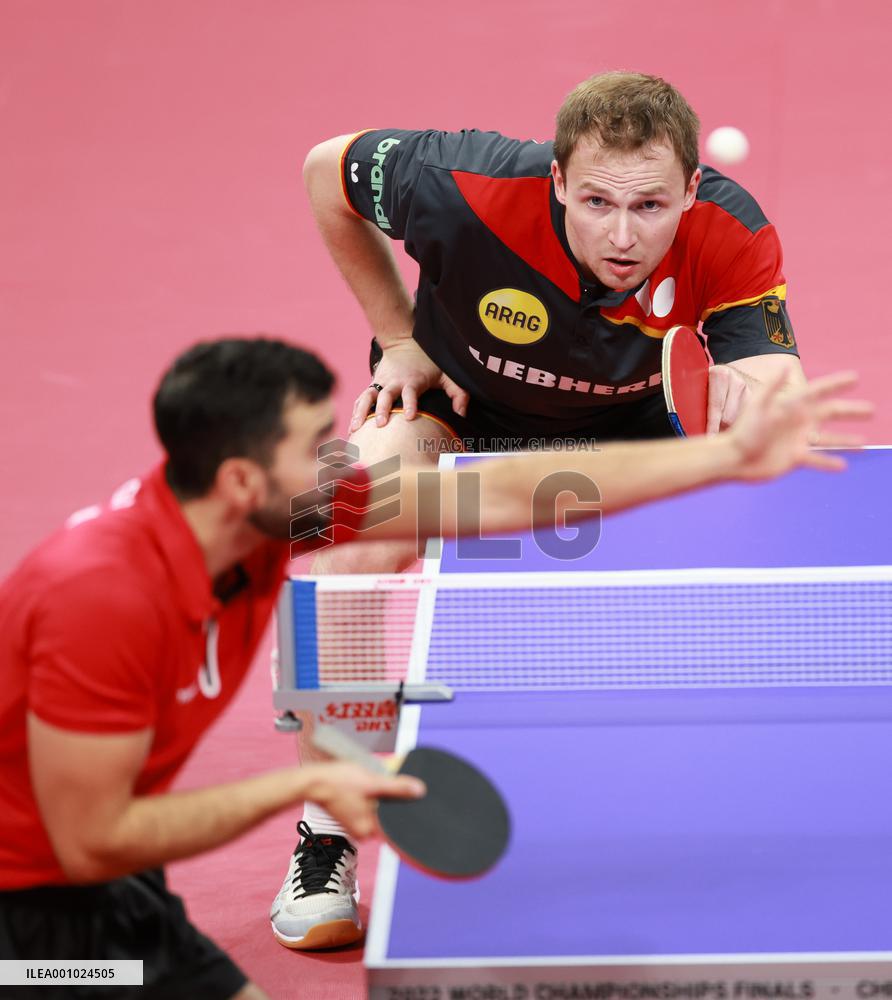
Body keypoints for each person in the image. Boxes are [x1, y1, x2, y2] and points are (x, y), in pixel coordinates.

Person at [0, 336, 868, 993]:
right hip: (27, 910)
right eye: (316, 445)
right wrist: (305, 786)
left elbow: (494, 492)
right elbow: (91, 837)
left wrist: (724, 457)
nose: (344, 461)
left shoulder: (259, 519)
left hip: (105, 881)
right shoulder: (103, 598)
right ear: (238, 478)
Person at [284, 70, 812, 947]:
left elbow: (769, 367)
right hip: (454, 408)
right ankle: (324, 833)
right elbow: (320, 171)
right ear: (558, 179)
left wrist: (760, 402)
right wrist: (398, 339)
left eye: (650, 207)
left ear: (690, 190)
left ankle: (697, 793)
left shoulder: (732, 224)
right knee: (335, 546)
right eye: (597, 200)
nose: (621, 232)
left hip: (627, 440)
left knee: (751, 534)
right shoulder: (461, 186)